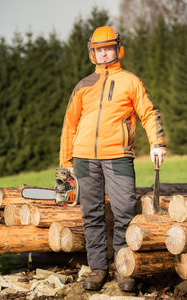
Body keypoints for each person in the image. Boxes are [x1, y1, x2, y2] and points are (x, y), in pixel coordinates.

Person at [59, 26, 166, 292]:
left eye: (108, 48)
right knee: (92, 215)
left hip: (118, 156)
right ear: (92, 52)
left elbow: (149, 113)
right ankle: (97, 269)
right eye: (98, 49)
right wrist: (65, 163)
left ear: (118, 49)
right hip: (83, 158)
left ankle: (123, 266)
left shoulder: (131, 81)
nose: (103, 53)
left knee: (125, 212)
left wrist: (158, 143)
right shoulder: (83, 85)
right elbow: (69, 125)